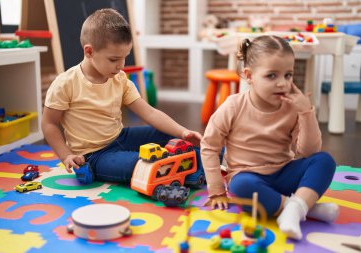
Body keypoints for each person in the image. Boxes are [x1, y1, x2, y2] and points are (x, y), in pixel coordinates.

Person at [201, 35, 339, 240]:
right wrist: (216, 190)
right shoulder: (233, 106)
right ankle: (302, 207)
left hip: (284, 174)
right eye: (272, 76)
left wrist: (306, 113)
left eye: (288, 75)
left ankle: (294, 207)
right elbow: (210, 146)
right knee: (239, 186)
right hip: (249, 178)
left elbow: (308, 152)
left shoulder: (292, 108)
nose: (282, 83)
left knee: (324, 161)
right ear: (249, 76)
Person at [42, 9, 202, 183]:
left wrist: (183, 132)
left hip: (120, 138)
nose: (121, 65)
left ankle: (209, 160)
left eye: (125, 57)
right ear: (89, 52)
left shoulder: (120, 79)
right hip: (94, 156)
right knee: (141, 165)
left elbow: (149, 113)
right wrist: (66, 156)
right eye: (113, 59)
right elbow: (49, 123)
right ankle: (186, 173)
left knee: (170, 137)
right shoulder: (65, 83)